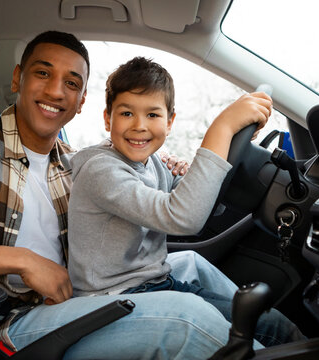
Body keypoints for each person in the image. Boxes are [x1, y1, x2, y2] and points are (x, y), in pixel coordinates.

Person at [0, 30, 256, 359]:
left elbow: (126, 187)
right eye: (42, 73)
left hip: (76, 303)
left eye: (71, 83)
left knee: (188, 265)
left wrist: (165, 168)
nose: (56, 91)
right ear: (17, 80)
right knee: (183, 318)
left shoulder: (73, 161)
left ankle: (284, 340)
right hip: (9, 321)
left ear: (81, 102)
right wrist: (22, 261)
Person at [67, 57, 304, 346]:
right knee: (245, 337)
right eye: (127, 113)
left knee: (269, 322)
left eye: (152, 115)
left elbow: (194, 197)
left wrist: (222, 149)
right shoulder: (100, 170)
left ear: (170, 122)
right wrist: (221, 129)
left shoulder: (152, 162)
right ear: (108, 119)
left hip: (150, 285)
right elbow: (182, 217)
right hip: (112, 299)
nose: (139, 126)